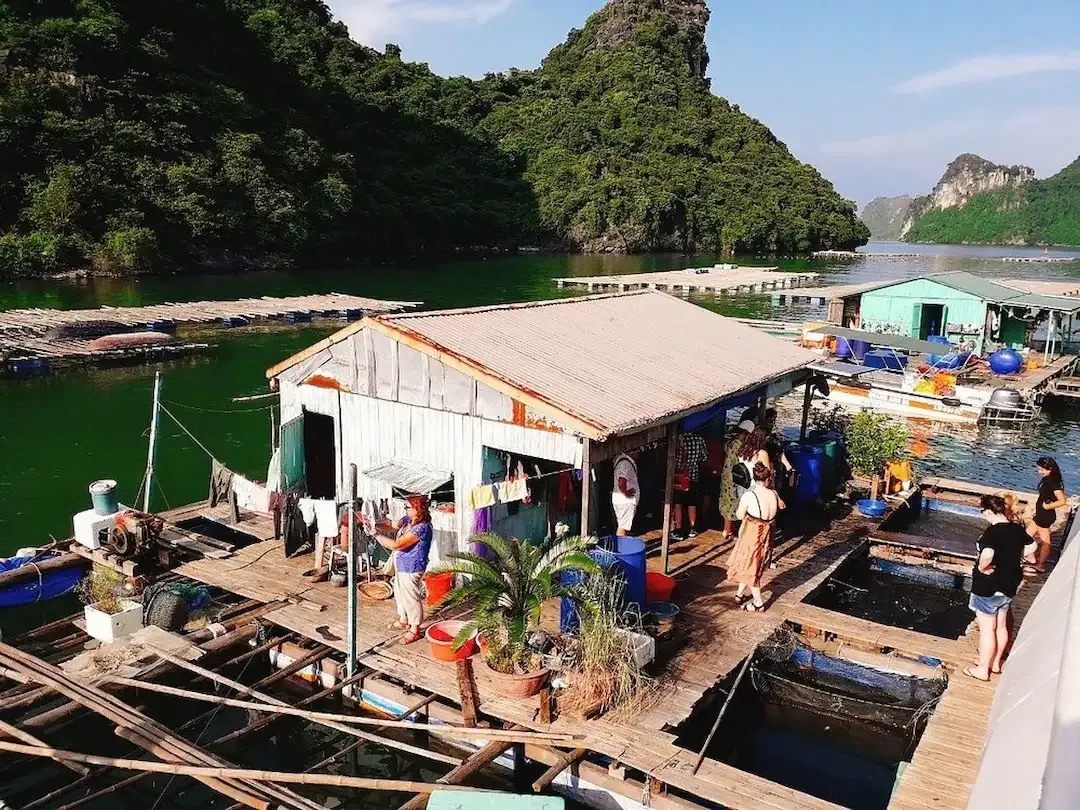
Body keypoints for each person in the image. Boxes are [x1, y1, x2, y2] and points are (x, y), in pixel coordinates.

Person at [965, 494, 1035, 680]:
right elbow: (1032, 547)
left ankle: (982, 669)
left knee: (987, 629)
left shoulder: (992, 533)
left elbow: (987, 555)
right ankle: (995, 663)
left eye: (983, 512)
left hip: (989, 586)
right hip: (1010, 583)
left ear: (989, 511)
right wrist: (1017, 557)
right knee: (1001, 625)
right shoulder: (1017, 529)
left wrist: (982, 567)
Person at [375, 495, 433, 644]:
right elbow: (393, 525)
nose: (405, 509)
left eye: (408, 507)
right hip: (402, 564)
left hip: (412, 566)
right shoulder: (408, 520)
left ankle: (415, 629)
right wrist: (374, 524)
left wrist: (376, 535)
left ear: (417, 509)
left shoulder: (422, 528)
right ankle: (404, 618)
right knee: (399, 592)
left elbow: (397, 544)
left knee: (411, 596)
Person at [727, 462, 784, 612]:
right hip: (768, 533)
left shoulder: (749, 495)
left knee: (751, 566)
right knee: (753, 564)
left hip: (753, 532)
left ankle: (759, 603)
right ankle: (739, 595)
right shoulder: (773, 494)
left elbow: (739, 515)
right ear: (768, 479)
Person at [1025, 456, 1066, 573]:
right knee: (1026, 535)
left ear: (1050, 469)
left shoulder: (1054, 483)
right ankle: (1031, 557)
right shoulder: (1047, 479)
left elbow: (1062, 501)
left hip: (1045, 516)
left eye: (1042, 470)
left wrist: (1047, 506)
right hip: (1039, 514)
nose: (1039, 472)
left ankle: (1040, 565)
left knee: (1045, 541)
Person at [719, 421, 753, 540]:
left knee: (726, 500)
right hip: (734, 476)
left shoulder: (730, 442)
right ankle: (727, 530)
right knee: (732, 501)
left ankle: (727, 528)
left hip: (726, 474)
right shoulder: (740, 445)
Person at [672, 431, 707, 539]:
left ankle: (678, 530)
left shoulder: (677, 439)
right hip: (693, 476)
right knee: (692, 503)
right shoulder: (700, 439)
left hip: (678, 477)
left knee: (678, 504)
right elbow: (704, 458)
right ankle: (692, 528)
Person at [611, 451, 639, 536]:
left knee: (623, 525)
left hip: (623, 500)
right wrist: (626, 493)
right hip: (625, 501)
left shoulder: (624, 462)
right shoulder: (625, 464)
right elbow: (621, 482)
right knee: (622, 526)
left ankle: (623, 539)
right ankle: (620, 545)